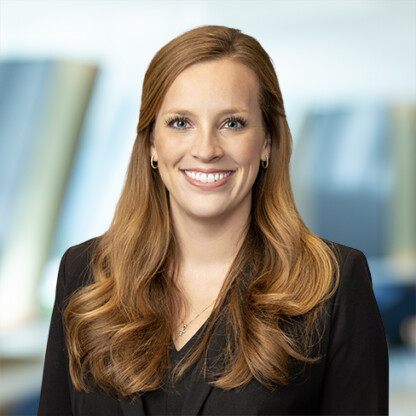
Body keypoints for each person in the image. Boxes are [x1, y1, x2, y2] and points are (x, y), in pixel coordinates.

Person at [38, 25, 388, 416]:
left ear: (267, 141)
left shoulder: (332, 285)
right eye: (180, 123)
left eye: (232, 123)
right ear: (152, 142)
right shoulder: (86, 274)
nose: (206, 149)